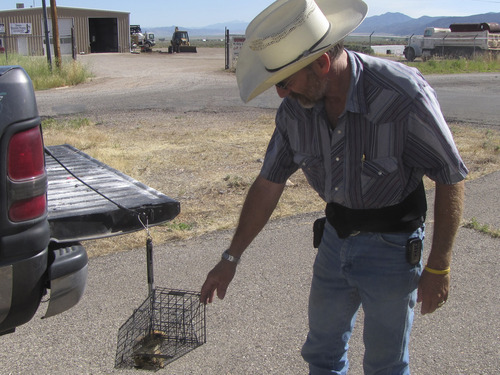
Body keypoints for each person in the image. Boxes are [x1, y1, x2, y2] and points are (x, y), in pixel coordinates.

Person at [200, 0, 468, 374]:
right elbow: (269, 182)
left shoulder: (402, 95)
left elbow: (449, 175)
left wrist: (439, 265)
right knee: (322, 355)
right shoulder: (296, 108)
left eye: (284, 81)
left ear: (322, 64)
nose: (280, 93)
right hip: (334, 243)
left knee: (386, 365)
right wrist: (230, 258)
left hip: (393, 247)